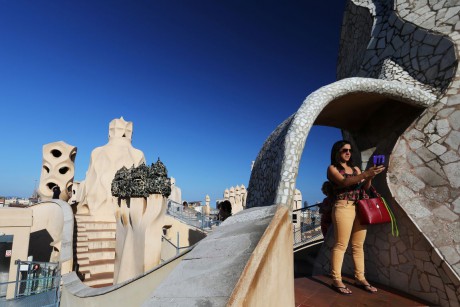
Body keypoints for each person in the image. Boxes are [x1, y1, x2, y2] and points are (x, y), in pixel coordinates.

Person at [327, 140, 385, 295]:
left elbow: (365, 188)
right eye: (344, 150)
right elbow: (345, 182)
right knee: (341, 245)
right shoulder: (332, 169)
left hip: (359, 207)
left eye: (350, 150)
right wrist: (365, 173)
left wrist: (369, 176)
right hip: (343, 206)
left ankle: (360, 278)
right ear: (337, 152)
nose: (348, 153)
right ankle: (336, 279)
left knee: (358, 246)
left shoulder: (356, 168)